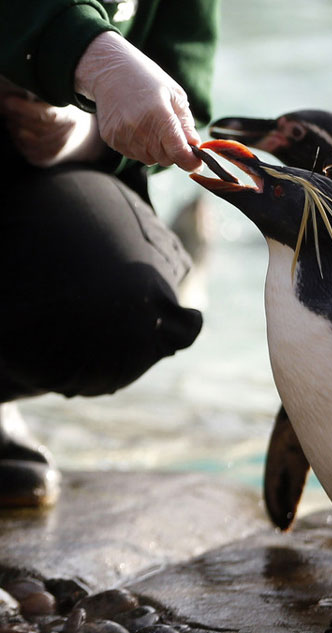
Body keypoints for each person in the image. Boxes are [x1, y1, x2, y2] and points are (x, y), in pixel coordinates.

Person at [0, 0, 219, 507]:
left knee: (131, 303)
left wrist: (87, 134)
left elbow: (187, 95)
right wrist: (90, 54)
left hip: (32, 176)